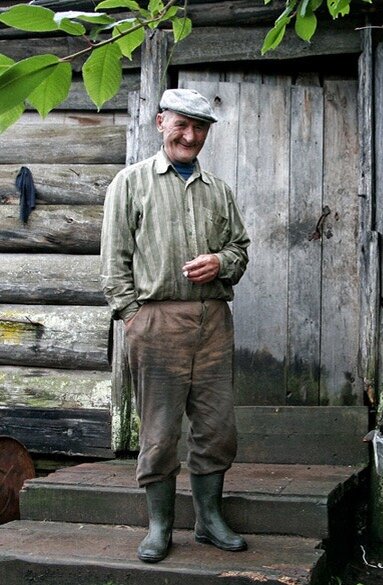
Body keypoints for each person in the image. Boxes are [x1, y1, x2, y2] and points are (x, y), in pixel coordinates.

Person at [100, 88, 250, 563]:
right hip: (156, 320)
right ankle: (160, 526)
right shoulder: (130, 183)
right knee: (160, 432)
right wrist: (132, 316)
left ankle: (208, 520)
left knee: (216, 428)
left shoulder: (219, 191)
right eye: (181, 124)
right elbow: (114, 261)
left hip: (212, 323)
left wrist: (221, 263)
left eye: (199, 127)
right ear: (161, 122)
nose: (189, 135)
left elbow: (240, 249)